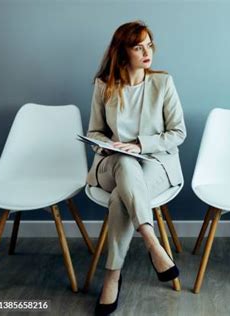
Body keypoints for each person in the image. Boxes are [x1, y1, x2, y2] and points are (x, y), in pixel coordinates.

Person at [86, 20, 186, 315]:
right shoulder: (104, 86)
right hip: (111, 165)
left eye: (149, 44)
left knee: (122, 198)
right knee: (125, 165)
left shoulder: (163, 83)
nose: (147, 51)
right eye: (138, 46)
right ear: (122, 51)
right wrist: (109, 146)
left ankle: (112, 276)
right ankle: (153, 243)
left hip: (155, 163)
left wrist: (141, 145)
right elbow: (94, 133)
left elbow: (178, 133)